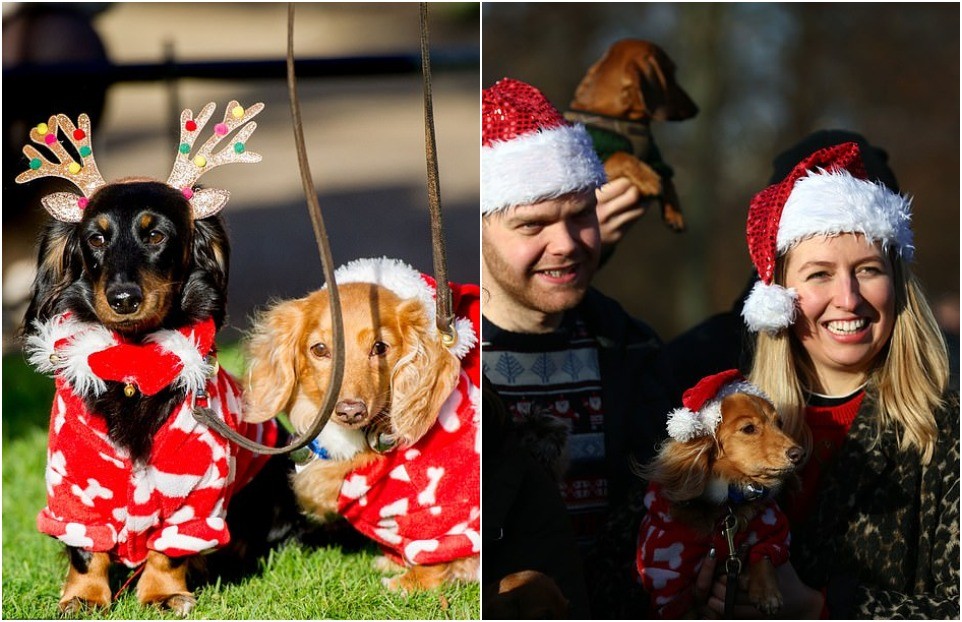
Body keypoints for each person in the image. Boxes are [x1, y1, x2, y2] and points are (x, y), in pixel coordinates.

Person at [696, 139, 958, 618]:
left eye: (868, 269)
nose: (848, 297)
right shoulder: (720, 418)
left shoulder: (947, 429)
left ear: (897, 286)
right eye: (819, 274)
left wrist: (822, 606)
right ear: (780, 295)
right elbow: (620, 568)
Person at [481, 77, 672, 618]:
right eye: (532, 225)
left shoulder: (635, 353)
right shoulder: (451, 363)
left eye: (581, 216)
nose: (565, 244)